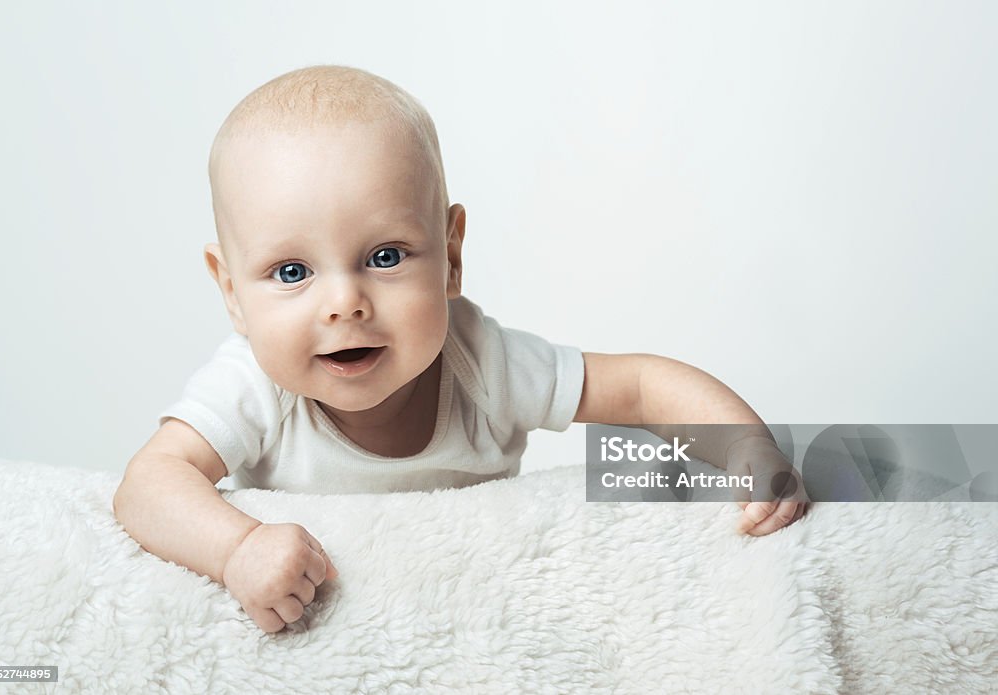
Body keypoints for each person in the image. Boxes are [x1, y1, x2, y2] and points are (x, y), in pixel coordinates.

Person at [113, 65, 807, 634]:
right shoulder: (257, 384)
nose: (343, 301)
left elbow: (638, 386)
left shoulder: (480, 361)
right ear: (232, 291)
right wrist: (238, 548)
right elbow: (148, 485)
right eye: (291, 272)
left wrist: (746, 448)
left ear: (449, 257)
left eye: (385, 255)